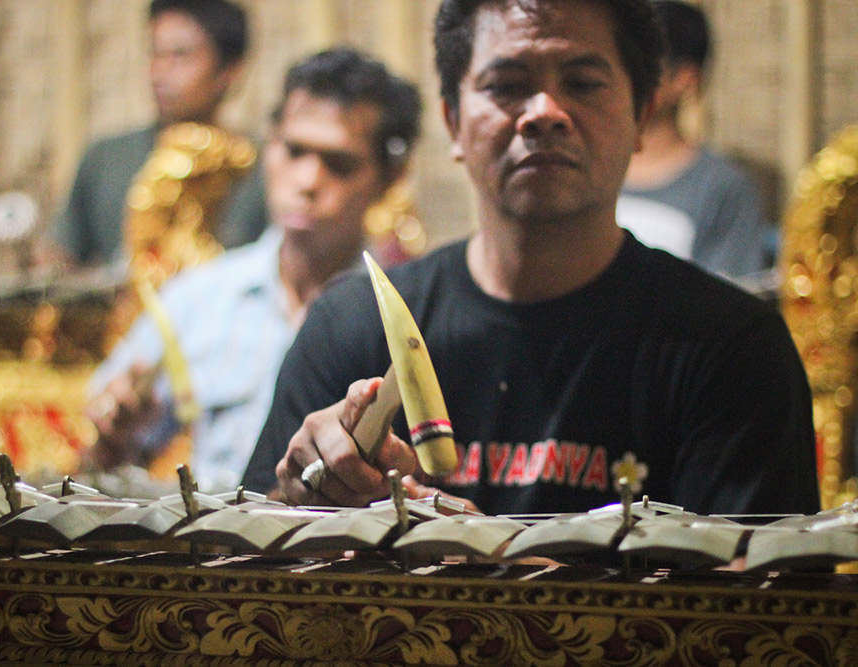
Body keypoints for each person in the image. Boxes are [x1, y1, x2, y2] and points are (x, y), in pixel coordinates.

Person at [241, 0, 820, 519]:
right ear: (452, 121)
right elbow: (242, 585)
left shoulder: (730, 348)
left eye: (583, 83)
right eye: (507, 84)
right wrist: (302, 498)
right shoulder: (352, 325)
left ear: (643, 115)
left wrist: (486, 561)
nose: (544, 111)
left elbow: (761, 621)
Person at [84, 48, 421, 493]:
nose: (307, 180)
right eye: (294, 150)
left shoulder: (407, 315)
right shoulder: (198, 298)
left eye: (338, 163)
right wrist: (117, 432)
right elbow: (101, 457)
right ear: (269, 144)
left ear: (390, 176)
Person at [47, 0, 265, 271]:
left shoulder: (258, 166)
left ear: (229, 71)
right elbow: (61, 261)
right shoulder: (106, 158)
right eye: (154, 54)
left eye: (180, 56)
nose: (159, 72)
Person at [616, 0, 770, 279]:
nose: (626, 77)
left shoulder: (722, 189)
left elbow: (729, 303)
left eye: (642, 65)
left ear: (685, 80)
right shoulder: (591, 171)